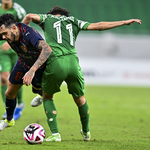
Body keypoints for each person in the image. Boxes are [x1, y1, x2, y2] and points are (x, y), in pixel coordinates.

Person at [22, 6, 142, 142]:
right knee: (80, 99)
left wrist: (23, 37)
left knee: (47, 96)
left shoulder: (47, 18)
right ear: (65, 15)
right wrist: (124, 22)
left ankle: (55, 134)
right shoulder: (74, 21)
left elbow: (30, 16)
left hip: (55, 62)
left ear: (53, 14)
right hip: (73, 62)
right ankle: (86, 133)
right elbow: (99, 26)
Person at [0, 13, 52, 132]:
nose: (3, 37)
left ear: (14, 28)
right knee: (9, 93)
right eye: (2, 34)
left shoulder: (29, 34)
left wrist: (32, 71)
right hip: (23, 63)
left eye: (5, 34)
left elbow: (47, 49)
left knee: (36, 88)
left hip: (39, 66)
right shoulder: (6, 31)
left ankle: (41, 94)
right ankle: (9, 121)